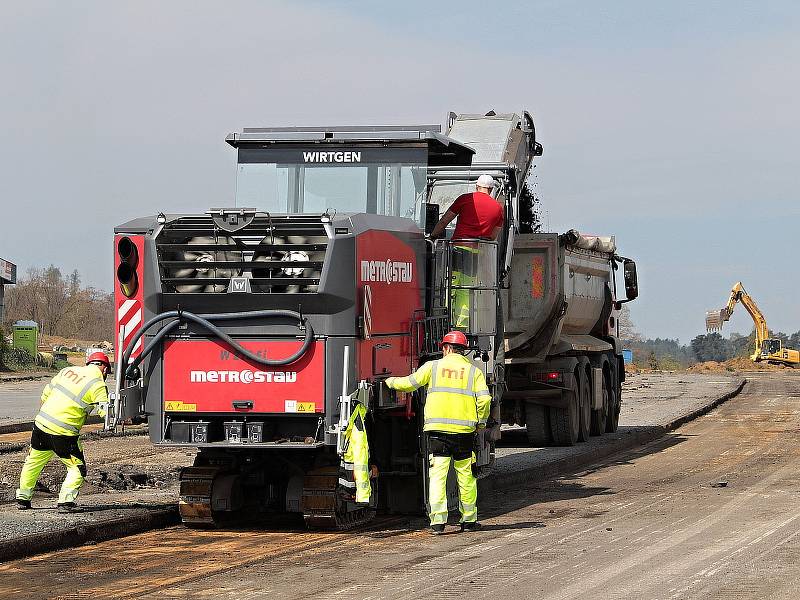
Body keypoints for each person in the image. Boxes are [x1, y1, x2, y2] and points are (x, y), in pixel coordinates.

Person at [384, 331, 491, 534]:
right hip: (463, 433)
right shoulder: (473, 372)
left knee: (438, 476)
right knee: (466, 477)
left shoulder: (433, 367)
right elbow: (485, 400)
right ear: (463, 350)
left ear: (446, 348)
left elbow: (409, 384)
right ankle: (468, 520)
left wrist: (389, 382)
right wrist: (481, 423)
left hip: (438, 433)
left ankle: (438, 523)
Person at [16, 352, 111, 512]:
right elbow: (107, 414)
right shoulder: (98, 384)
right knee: (77, 468)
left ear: (88, 363)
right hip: (64, 433)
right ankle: (65, 502)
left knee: (33, 463)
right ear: (105, 369)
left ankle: (22, 499)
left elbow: (45, 395)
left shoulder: (67, 371)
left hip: (41, 425)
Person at [429, 174, 504, 329]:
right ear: (490, 189)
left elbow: (444, 220)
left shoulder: (465, 199)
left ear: (477, 186)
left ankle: (444, 321)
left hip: (458, 249)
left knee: (450, 285)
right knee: (466, 290)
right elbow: (492, 236)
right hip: (477, 253)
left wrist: (432, 236)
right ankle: (461, 325)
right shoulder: (498, 208)